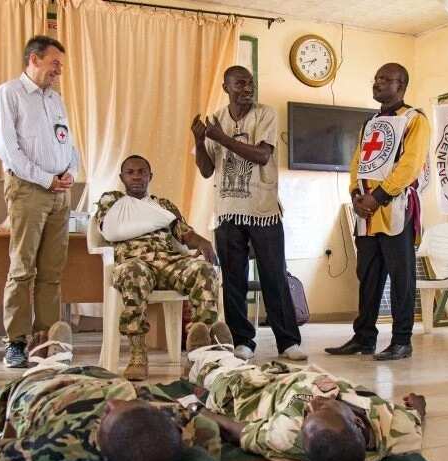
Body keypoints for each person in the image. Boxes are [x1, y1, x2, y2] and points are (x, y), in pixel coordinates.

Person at [0, 322, 221, 461]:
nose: (112, 405)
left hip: (43, 390)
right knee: (119, 386)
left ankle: (46, 359)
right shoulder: (176, 422)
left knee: (40, 373)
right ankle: (212, 359)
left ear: (101, 453)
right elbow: (207, 422)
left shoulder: (51, 451)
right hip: (100, 379)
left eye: (110, 414)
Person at [183, 328, 425, 461]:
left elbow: (234, 431)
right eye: (323, 408)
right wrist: (418, 403)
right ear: (358, 423)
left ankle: (205, 356)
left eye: (308, 415)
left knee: (221, 375)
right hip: (290, 374)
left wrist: (199, 410)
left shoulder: (286, 437)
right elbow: (416, 417)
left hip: (253, 391)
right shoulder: (395, 427)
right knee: (245, 365)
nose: (312, 405)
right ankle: (223, 352)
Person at [191, 65, 305, 361]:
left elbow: (261, 155)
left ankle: (288, 342)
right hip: (228, 213)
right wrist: (199, 139)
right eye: (240, 83)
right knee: (233, 279)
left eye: (250, 83)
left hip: (262, 210)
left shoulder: (265, 114)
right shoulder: (216, 118)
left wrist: (222, 138)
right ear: (225, 86)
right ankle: (243, 340)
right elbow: (206, 170)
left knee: (274, 276)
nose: (247, 88)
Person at [325, 63, 430, 361]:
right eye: (376, 78)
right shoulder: (369, 123)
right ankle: (364, 337)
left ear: (402, 86)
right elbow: (357, 161)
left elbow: (410, 164)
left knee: (401, 277)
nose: (378, 83)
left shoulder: (414, 119)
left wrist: (380, 195)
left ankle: (401, 340)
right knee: (368, 276)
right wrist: (357, 195)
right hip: (366, 211)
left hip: (395, 206)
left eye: (386, 79)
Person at [95, 155, 231, 381]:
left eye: (142, 171)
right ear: (122, 177)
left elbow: (184, 233)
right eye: (131, 172)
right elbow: (110, 230)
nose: (137, 176)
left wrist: (204, 243)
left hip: (169, 261)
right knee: (134, 272)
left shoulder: (164, 206)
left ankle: (200, 354)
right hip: (133, 263)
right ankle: (138, 352)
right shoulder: (112, 200)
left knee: (204, 271)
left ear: (151, 176)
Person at [0, 35, 80, 368]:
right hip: (29, 189)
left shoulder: (55, 99)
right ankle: (15, 342)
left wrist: (70, 171)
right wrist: (46, 179)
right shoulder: (9, 94)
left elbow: (68, 143)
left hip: (60, 193)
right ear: (33, 59)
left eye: (60, 65)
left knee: (52, 272)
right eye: (54, 62)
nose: (59, 70)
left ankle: (45, 341)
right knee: (23, 268)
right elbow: (7, 150)